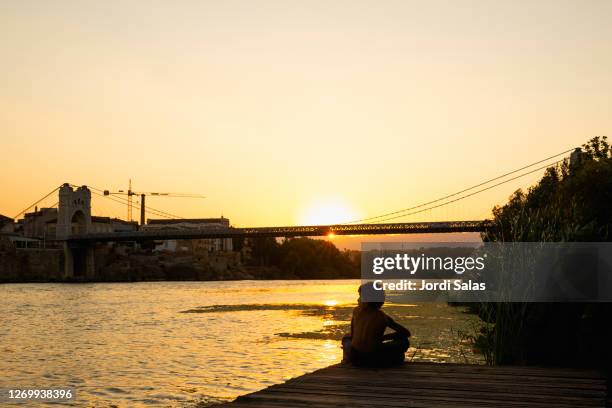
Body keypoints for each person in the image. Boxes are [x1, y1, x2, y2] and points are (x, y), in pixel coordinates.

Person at [342, 282, 411, 367]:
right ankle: (394, 359)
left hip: (356, 358)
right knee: (403, 341)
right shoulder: (383, 317)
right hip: (373, 357)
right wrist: (383, 338)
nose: (358, 299)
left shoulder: (355, 311)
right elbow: (406, 333)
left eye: (360, 296)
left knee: (346, 338)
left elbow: (353, 335)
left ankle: (347, 359)